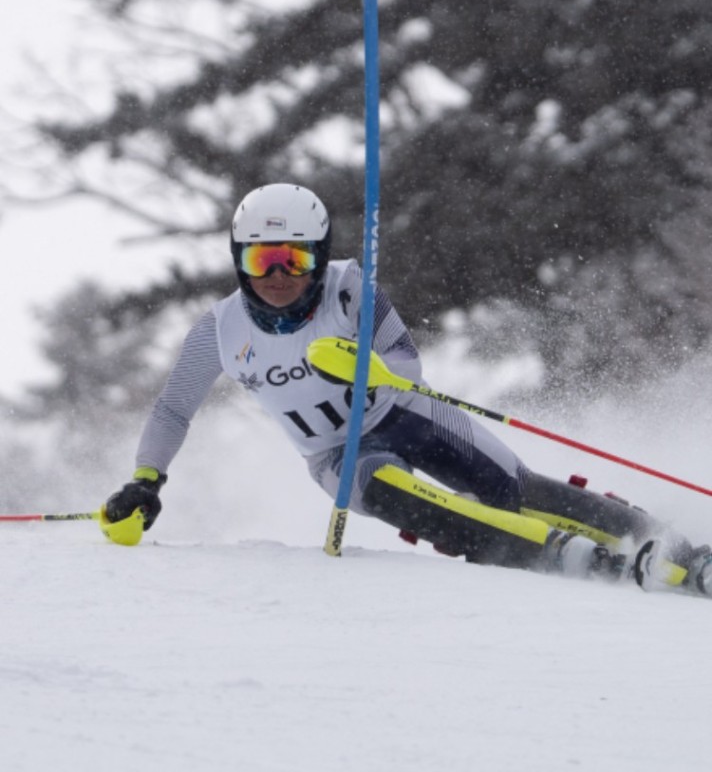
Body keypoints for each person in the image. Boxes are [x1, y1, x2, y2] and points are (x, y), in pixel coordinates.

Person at [104, 182, 712, 594]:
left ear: (319, 256)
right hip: (339, 455)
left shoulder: (350, 290)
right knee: (386, 489)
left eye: (295, 259)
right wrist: (145, 480)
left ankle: (677, 548)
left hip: (407, 413)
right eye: (264, 262)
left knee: (513, 488)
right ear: (240, 261)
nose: (281, 277)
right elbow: (172, 409)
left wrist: (365, 367)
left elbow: (405, 360)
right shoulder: (218, 330)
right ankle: (574, 559)